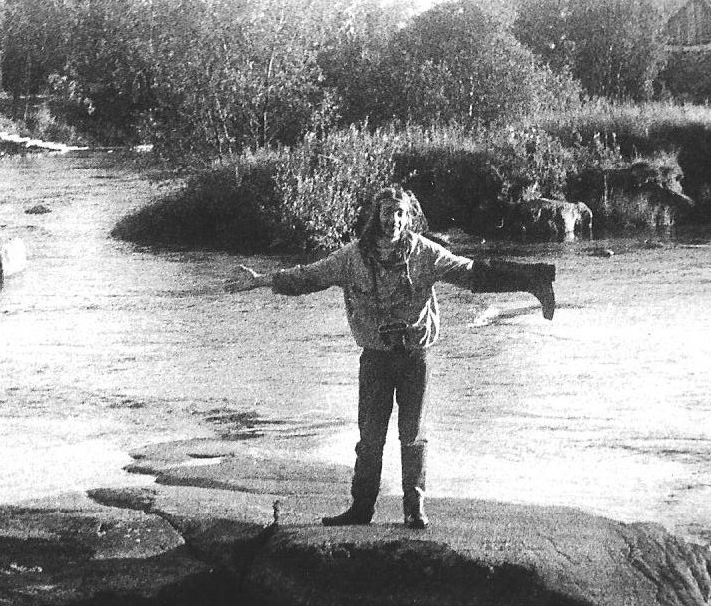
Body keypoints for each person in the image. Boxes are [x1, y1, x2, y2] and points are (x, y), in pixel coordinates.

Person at [225, 185, 555, 529]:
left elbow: (473, 274)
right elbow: (309, 277)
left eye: (400, 213)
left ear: (408, 217)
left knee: (412, 435)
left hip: (415, 358)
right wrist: (262, 281)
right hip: (376, 360)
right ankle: (361, 508)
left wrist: (532, 281)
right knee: (370, 437)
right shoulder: (351, 258)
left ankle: (414, 508)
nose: (393, 220)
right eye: (387, 213)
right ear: (376, 216)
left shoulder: (424, 253)